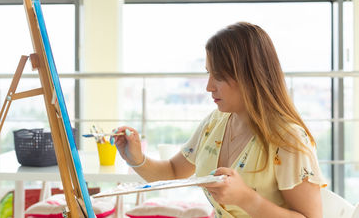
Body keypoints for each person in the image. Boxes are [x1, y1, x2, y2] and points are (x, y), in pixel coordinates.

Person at [112, 22, 326, 218]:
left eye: (219, 76)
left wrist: (246, 199)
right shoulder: (216, 122)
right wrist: (135, 157)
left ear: (250, 76)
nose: (209, 86)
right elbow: (173, 172)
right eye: (208, 73)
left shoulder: (287, 138)